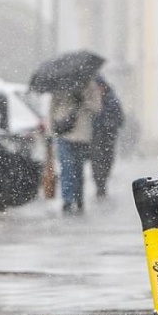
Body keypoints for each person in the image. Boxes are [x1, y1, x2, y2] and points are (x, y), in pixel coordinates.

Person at [51, 77, 103, 213]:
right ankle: (67, 200)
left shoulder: (90, 85)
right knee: (66, 168)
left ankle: (79, 198)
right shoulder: (61, 84)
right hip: (64, 133)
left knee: (78, 169)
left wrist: (84, 101)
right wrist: (51, 130)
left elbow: (97, 108)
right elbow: (53, 107)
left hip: (82, 135)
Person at [89, 76, 124, 199]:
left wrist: (109, 124)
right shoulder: (93, 100)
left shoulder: (111, 99)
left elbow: (120, 118)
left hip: (108, 137)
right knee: (96, 161)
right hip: (96, 137)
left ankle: (102, 182)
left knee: (107, 161)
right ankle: (99, 184)